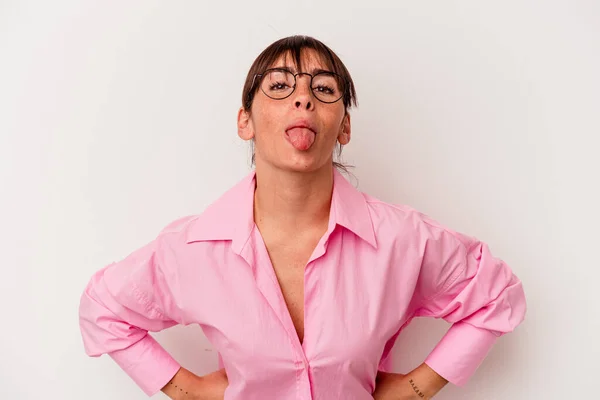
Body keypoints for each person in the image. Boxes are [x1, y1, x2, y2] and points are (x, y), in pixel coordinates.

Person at [78, 35, 527, 400]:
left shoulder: (403, 239)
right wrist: (189, 391)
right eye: (279, 86)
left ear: (343, 127)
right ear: (245, 122)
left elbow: (497, 295)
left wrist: (416, 388)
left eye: (324, 89)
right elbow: (103, 310)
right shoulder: (191, 250)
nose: (303, 100)